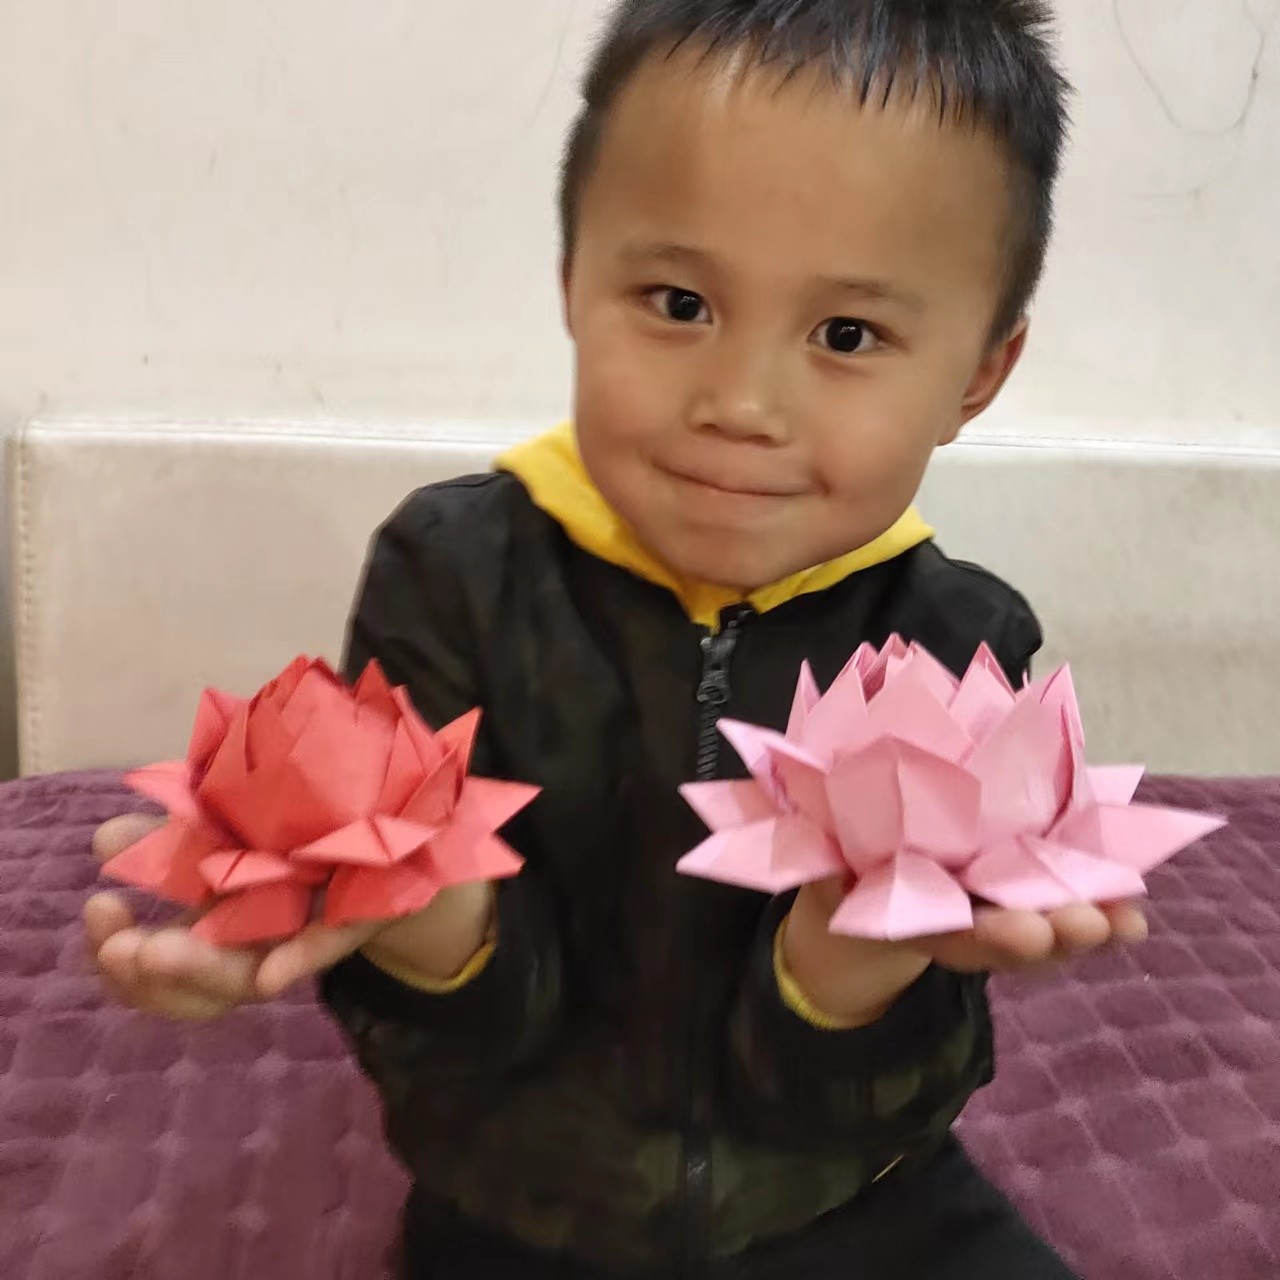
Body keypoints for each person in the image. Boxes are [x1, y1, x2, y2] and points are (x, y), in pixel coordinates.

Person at [85, 2, 1149, 1276]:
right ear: (572, 281)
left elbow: (882, 1076)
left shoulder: (957, 639)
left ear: (976, 373)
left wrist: (848, 961)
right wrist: (411, 906)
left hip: (855, 1187)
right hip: (523, 1192)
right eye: (678, 301)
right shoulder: (451, 573)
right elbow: (470, 1043)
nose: (740, 403)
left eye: (845, 335)